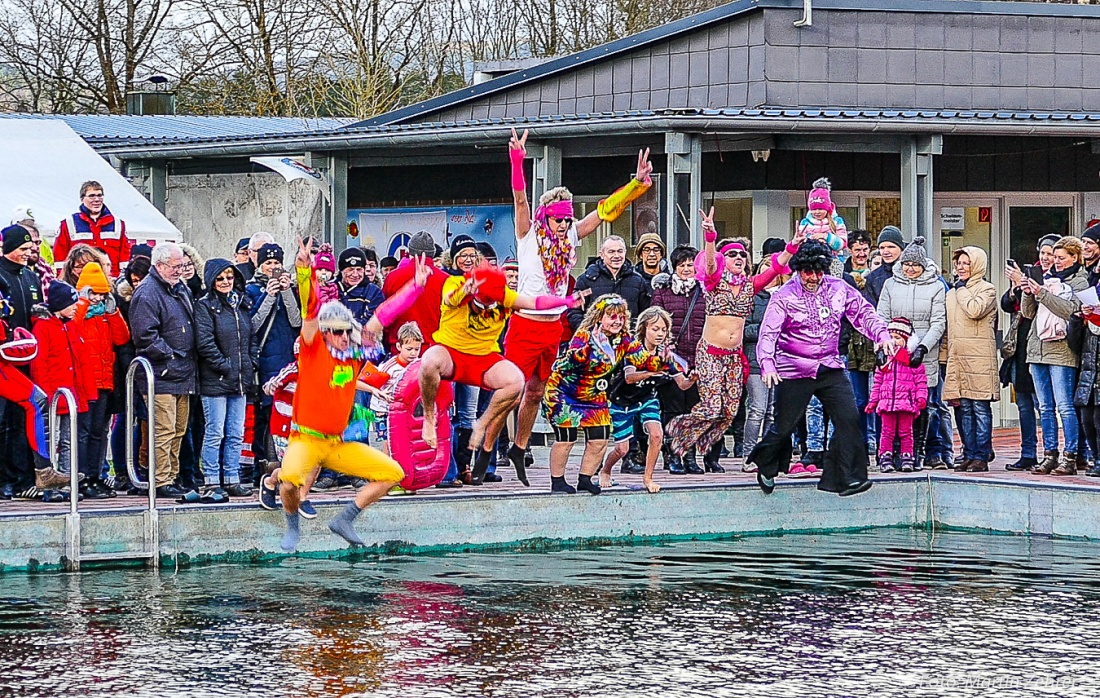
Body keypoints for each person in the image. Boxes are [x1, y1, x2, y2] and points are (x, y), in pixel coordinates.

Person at [503, 128, 654, 480]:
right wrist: (516, 161)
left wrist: (636, 185)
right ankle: (482, 450)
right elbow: (520, 199)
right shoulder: (528, 234)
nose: (565, 225)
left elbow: (603, 212)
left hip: (552, 326)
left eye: (569, 219)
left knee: (537, 392)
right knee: (510, 391)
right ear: (546, 218)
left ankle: (519, 448)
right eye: (559, 219)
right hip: (525, 321)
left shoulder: (571, 234)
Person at [276, 238, 418, 552]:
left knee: (394, 473)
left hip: (337, 444)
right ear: (325, 333)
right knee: (289, 481)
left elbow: (382, 317)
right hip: (305, 439)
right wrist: (304, 268)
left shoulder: (353, 359)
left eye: (346, 330)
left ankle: (345, 519)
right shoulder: (313, 348)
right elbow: (309, 306)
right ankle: (292, 524)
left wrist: (415, 289)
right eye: (336, 331)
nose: (342, 336)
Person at [418, 261, 586, 485]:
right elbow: (450, 298)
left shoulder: (503, 295)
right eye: (482, 304)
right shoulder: (455, 283)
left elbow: (533, 302)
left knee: (515, 381)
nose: (486, 309)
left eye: (491, 305)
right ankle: (429, 418)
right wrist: (465, 290)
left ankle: (481, 425)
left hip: (484, 357)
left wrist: (564, 301)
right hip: (452, 352)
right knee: (429, 361)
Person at [750, 240, 895, 496]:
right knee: (784, 425)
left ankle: (847, 478)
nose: (814, 277)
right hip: (793, 368)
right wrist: (768, 364)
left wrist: (882, 336)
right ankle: (766, 465)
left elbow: (864, 313)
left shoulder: (839, 288)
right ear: (798, 270)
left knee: (849, 419)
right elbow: (768, 333)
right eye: (808, 271)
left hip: (830, 365)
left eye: (819, 271)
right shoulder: (784, 297)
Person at [666, 209, 795, 471]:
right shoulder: (714, 282)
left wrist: (793, 245)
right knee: (712, 407)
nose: (737, 257)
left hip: (734, 357)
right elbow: (710, 263)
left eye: (741, 254)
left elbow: (776, 268)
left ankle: (702, 451)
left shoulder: (750, 285)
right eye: (732, 254)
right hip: (711, 353)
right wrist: (710, 235)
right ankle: (677, 437)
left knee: (729, 412)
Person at [543, 295, 673, 494]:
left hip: (594, 395)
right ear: (599, 317)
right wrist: (587, 351)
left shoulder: (624, 340)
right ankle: (557, 481)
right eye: (612, 317)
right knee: (566, 438)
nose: (618, 322)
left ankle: (585, 478)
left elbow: (642, 359)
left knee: (600, 436)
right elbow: (572, 359)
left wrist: (663, 362)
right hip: (565, 393)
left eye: (621, 317)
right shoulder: (585, 335)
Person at [1013, 236, 1089, 474]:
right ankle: (1050, 454)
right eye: (1053, 257)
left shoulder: (1080, 281)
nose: (1054, 262)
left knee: (1064, 406)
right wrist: (1027, 292)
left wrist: (1043, 293)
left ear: (1074, 257)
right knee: (1045, 407)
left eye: (1060, 257)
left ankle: (1071, 456)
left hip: (1062, 350)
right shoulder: (1046, 278)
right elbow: (1028, 312)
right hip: (1037, 350)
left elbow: (1071, 311)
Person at [129, 242, 199, 498]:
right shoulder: (147, 293)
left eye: (182, 265)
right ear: (159, 265)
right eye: (175, 266)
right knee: (163, 429)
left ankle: (171, 475)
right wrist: (170, 356)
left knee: (179, 429)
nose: (180, 270)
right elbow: (144, 336)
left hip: (183, 370)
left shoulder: (179, 288)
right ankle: (160, 479)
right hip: (161, 373)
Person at [599, 306, 694, 493]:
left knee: (657, 434)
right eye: (655, 329)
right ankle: (605, 470)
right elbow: (629, 377)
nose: (660, 334)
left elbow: (682, 384)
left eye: (663, 330)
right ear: (644, 329)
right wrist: (654, 371)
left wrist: (691, 379)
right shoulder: (633, 349)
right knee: (622, 449)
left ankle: (648, 478)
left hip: (647, 398)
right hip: (622, 400)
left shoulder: (664, 354)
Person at [876, 236, 946, 470]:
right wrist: (881, 345)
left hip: (924, 352)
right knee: (891, 403)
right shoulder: (891, 284)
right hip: (893, 351)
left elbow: (938, 321)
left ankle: (918, 451)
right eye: (907, 264)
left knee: (925, 403)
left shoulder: (935, 286)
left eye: (915, 265)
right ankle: (891, 451)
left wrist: (923, 347)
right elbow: (880, 317)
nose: (910, 269)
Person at [194, 258, 258, 500]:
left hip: (240, 378)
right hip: (216, 379)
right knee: (215, 432)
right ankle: (212, 479)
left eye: (229, 277)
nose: (225, 282)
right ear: (211, 280)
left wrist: (251, 362)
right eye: (220, 278)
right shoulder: (204, 306)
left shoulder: (241, 304)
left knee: (235, 433)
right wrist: (225, 365)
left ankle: (232, 477)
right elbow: (205, 342)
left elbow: (251, 337)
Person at [29, 280, 95, 501]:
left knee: (69, 440)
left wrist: (87, 392)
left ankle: (67, 484)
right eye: (72, 303)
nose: (77, 307)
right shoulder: (44, 327)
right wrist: (47, 396)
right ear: (60, 305)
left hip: (71, 395)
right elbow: (40, 365)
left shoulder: (70, 325)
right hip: (54, 396)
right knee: (52, 440)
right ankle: (50, 487)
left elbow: (81, 361)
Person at [1000, 236, 1056, 472]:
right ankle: (1028, 452)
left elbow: (1035, 311)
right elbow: (1006, 304)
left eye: (1050, 253)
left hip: (1046, 347)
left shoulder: (1056, 279)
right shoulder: (1030, 273)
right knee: (1023, 403)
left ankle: (1051, 452)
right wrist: (1016, 286)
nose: (1045, 258)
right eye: (1042, 252)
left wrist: (1030, 287)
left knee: (1044, 404)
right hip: (1021, 346)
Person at [73, 262, 129, 497]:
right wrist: (83, 303)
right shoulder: (77, 311)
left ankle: (95, 476)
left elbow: (122, 337)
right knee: (83, 432)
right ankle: (81, 476)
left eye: (100, 293)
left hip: (104, 381)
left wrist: (113, 312)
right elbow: (72, 331)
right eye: (92, 292)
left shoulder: (105, 314)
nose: (97, 298)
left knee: (98, 432)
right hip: (84, 383)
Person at [942, 246, 1000, 472]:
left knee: (980, 408)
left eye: (966, 263)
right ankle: (968, 451)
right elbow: (949, 326)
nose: (960, 267)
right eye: (958, 263)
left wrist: (962, 289)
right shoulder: (952, 293)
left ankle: (981, 455)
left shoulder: (987, 289)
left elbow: (974, 309)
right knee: (963, 408)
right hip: (958, 357)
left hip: (979, 359)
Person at [651, 244, 707, 474]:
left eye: (690, 264)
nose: (686, 269)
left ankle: (690, 455)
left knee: (694, 410)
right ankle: (673, 455)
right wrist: (666, 346)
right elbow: (655, 323)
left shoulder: (704, 291)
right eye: (682, 265)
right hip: (672, 360)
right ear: (674, 267)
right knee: (673, 409)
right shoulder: (663, 293)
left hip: (699, 359)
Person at [244, 243, 301, 470]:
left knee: (290, 413)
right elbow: (254, 323)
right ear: (259, 265)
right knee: (269, 414)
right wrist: (268, 295)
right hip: (266, 360)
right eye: (268, 263)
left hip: (288, 358)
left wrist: (286, 292)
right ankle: (267, 462)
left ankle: (289, 462)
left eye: (276, 263)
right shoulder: (251, 289)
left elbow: (296, 321)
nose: (273, 267)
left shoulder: (291, 287)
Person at [0, 224, 46, 501]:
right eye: (22, 249)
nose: (27, 253)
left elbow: (35, 311)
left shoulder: (31, 276)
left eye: (30, 249)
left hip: (26, 357)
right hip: (4, 358)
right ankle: (5, 477)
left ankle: (24, 476)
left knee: (24, 418)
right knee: (4, 420)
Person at [741, 249, 788, 472]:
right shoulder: (751, 298)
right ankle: (748, 455)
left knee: (772, 411)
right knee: (757, 409)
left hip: (779, 362)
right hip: (755, 361)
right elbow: (743, 330)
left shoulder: (785, 298)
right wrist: (767, 329)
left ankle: (768, 456)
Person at [866, 318, 928, 473]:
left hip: (906, 403)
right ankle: (885, 457)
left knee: (906, 432)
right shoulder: (885, 360)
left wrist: (921, 397)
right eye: (891, 337)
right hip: (887, 403)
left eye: (898, 338)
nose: (894, 341)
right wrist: (873, 401)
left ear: (906, 340)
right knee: (887, 432)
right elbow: (877, 382)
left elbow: (921, 381)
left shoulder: (912, 361)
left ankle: (907, 457)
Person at [362, 321, 423, 458]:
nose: (413, 353)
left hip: (404, 410)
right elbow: (359, 383)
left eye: (417, 349)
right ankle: (386, 474)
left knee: (407, 441)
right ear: (399, 346)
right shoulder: (389, 366)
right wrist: (375, 391)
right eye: (409, 349)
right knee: (387, 443)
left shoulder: (419, 364)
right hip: (382, 411)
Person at [382, 231, 447, 352]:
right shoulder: (446, 280)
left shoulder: (392, 277)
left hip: (400, 350)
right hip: (434, 352)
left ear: (410, 252)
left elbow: (384, 316)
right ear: (432, 253)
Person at [568, 236, 651, 329]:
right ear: (602, 254)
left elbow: (645, 314)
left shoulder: (638, 281)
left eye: (620, 251)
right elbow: (574, 312)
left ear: (625, 253)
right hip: (594, 339)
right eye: (611, 252)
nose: (616, 256)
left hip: (629, 339)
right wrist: (589, 332)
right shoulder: (586, 280)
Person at [53, 181, 131, 275]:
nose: (97, 199)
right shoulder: (68, 224)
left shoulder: (118, 224)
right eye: (92, 196)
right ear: (82, 199)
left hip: (110, 281)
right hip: (79, 281)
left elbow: (125, 258)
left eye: (100, 195)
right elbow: (60, 258)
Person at [337, 247, 385, 326]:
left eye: (359, 269)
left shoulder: (373, 292)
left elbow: (371, 323)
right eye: (350, 269)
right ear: (342, 270)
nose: (355, 274)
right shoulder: (331, 288)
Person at [865, 225, 906, 307]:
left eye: (891, 247)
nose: (885, 251)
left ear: (901, 248)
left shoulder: (917, 271)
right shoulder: (873, 278)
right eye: (882, 248)